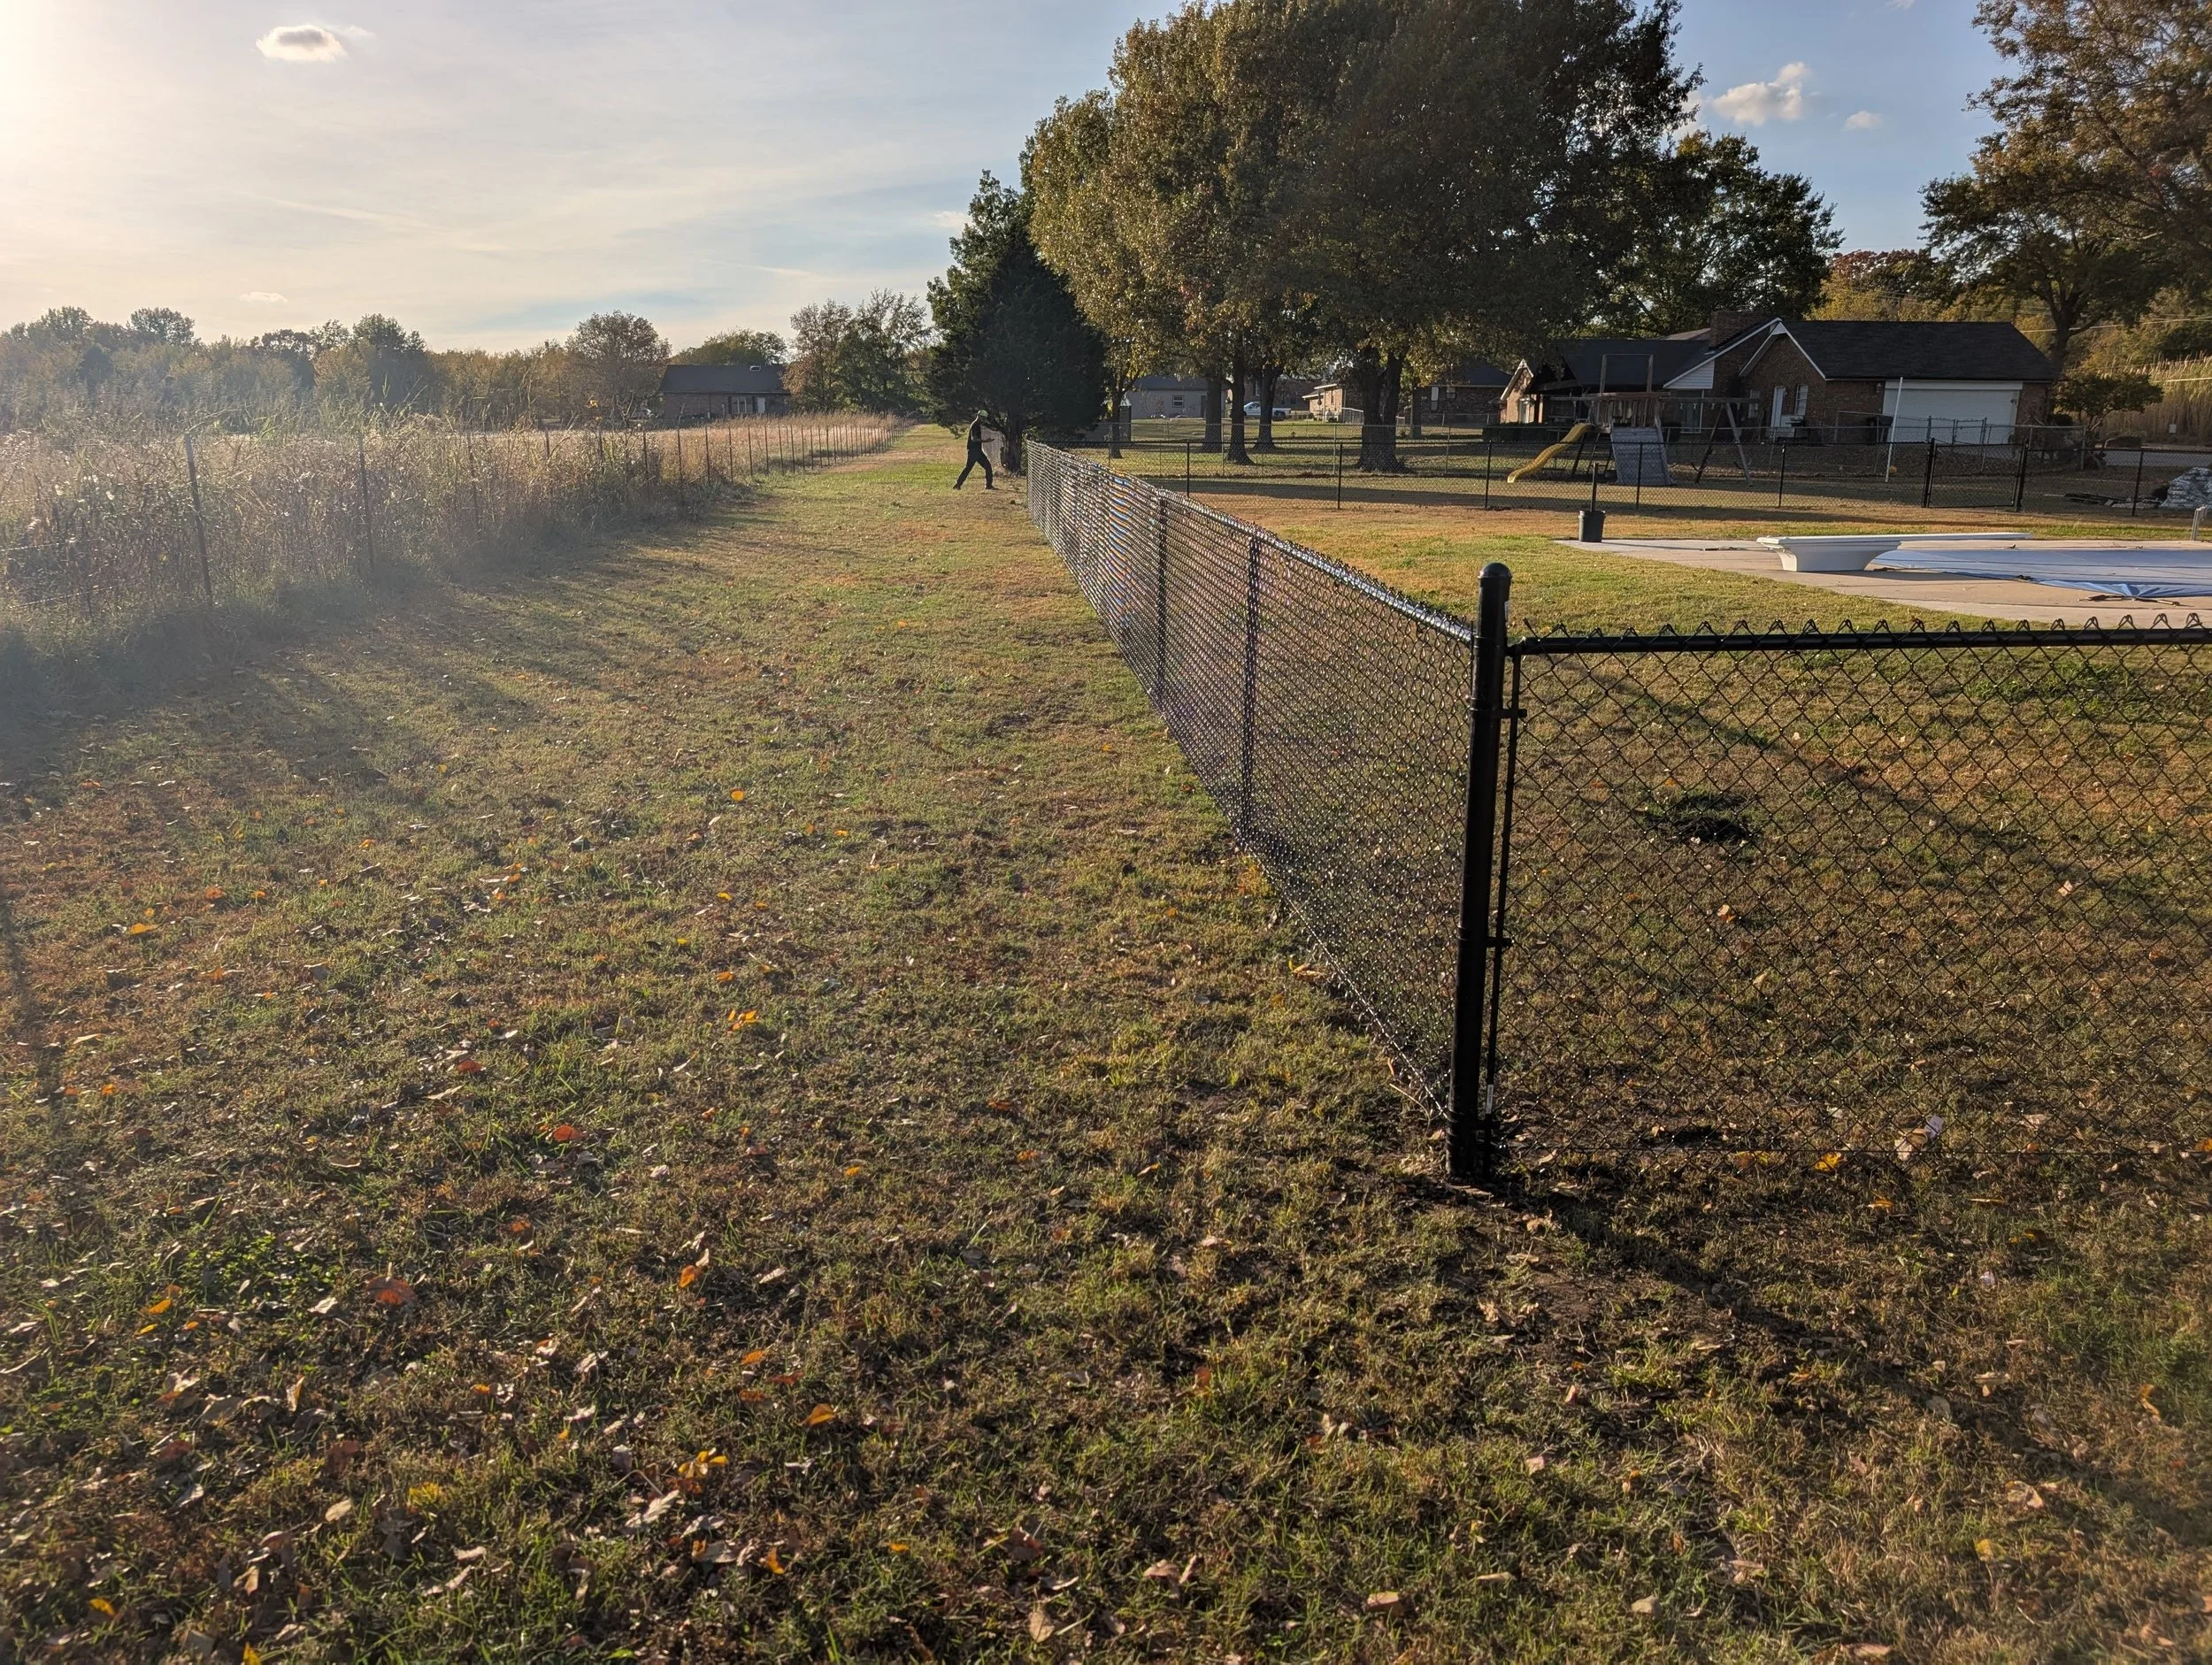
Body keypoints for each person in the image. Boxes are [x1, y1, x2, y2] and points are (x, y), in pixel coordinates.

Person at [956, 412, 995, 490]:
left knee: (987, 467)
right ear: (979, 417)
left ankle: (989, 485)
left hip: (977, 451)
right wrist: (985, 441)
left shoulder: (976, 424)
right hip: (974, 451)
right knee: (969, 468)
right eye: (983, 418)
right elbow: (974, 439)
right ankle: (957, 485)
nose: (984, 420)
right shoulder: (976, 425)